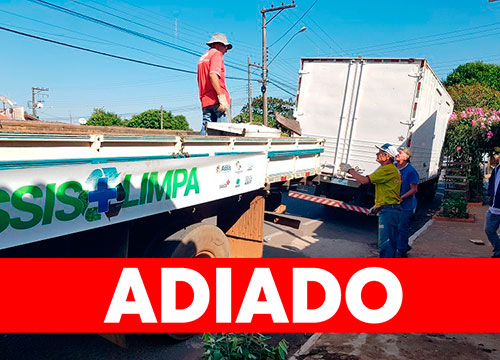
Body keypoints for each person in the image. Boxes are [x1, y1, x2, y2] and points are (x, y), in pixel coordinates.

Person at [340, 143, 402, 258]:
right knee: (390, 243)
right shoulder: (390, 169)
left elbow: (364, 181)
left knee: (386, 244)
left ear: (387, 156)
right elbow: (388, 192)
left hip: (389, 211)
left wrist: (350, 170)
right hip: (391, 209)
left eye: (380, 153)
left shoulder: (387, 169)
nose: (377, 154)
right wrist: (377, 206)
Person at [197, 33, 232, 135]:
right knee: (224, 135)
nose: (226, 49)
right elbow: (213, 75)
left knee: (207, 131)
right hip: (217, 101)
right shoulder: (216, 54)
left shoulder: (202, 58)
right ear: (218, 44)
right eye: (225, 46)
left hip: (206, 101)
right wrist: (221, 98)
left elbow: (200, 79)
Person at [395, 147, 419, 258]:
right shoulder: (393, 168)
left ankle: (401, 252)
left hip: (405, 206)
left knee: (402, 228)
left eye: (400, 153)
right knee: (393, 228)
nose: (397, 154)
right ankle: (403, 245)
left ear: (407, 157)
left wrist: (401, 197)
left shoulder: (411, 171)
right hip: (392, 204)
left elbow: (413, 189)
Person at [485, 149, 500, 258]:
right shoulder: (496, 170)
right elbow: (491, 184)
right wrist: (490, 193)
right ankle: (498, 248)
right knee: (489, 230)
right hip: (494, 208)